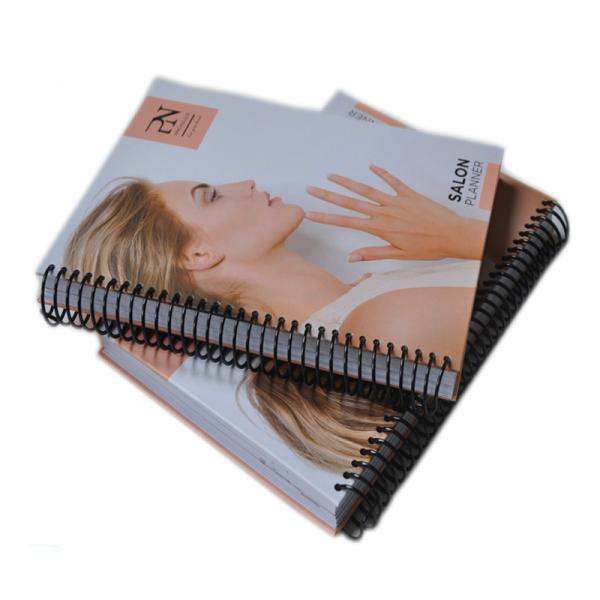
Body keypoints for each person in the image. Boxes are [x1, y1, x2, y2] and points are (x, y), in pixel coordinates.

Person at [65, 165, 485, 470]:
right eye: (211, 196)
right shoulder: (385, 326)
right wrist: (458, 235)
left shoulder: (371, 307)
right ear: (197, 254)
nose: (245, 182)